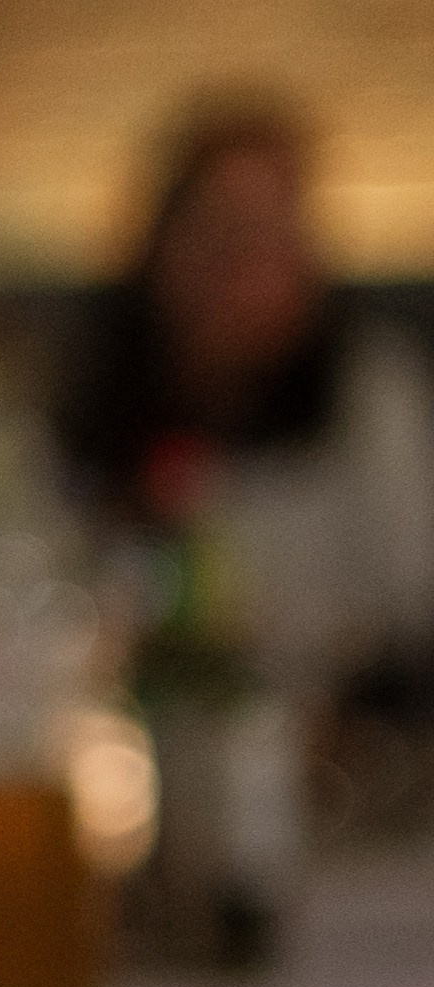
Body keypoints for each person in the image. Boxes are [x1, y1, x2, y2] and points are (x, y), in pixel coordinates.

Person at [59, 100, 434, 696]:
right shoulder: (99, 396)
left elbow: (413, 610)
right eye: (214, 231)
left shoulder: (370, 394)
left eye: (267, 235)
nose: (236, 269)